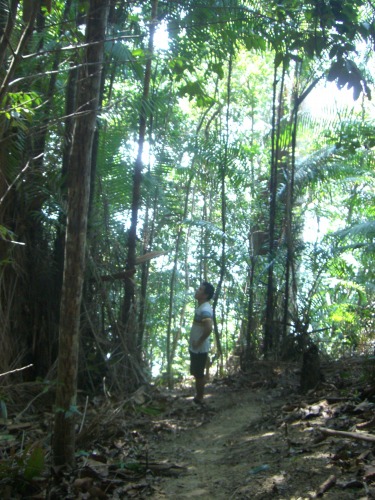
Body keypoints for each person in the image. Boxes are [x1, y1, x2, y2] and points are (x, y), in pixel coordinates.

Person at [189, 281, 215, 405]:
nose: (197, 290)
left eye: (200, 289)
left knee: (199, 373)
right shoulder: (202, 307)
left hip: (199, 348)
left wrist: (199, 341)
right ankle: (198, 396)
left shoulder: (205, 308)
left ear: (205, 295)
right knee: (196, 372)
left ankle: (199, 398)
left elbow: (209, 327)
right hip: (196, 347)